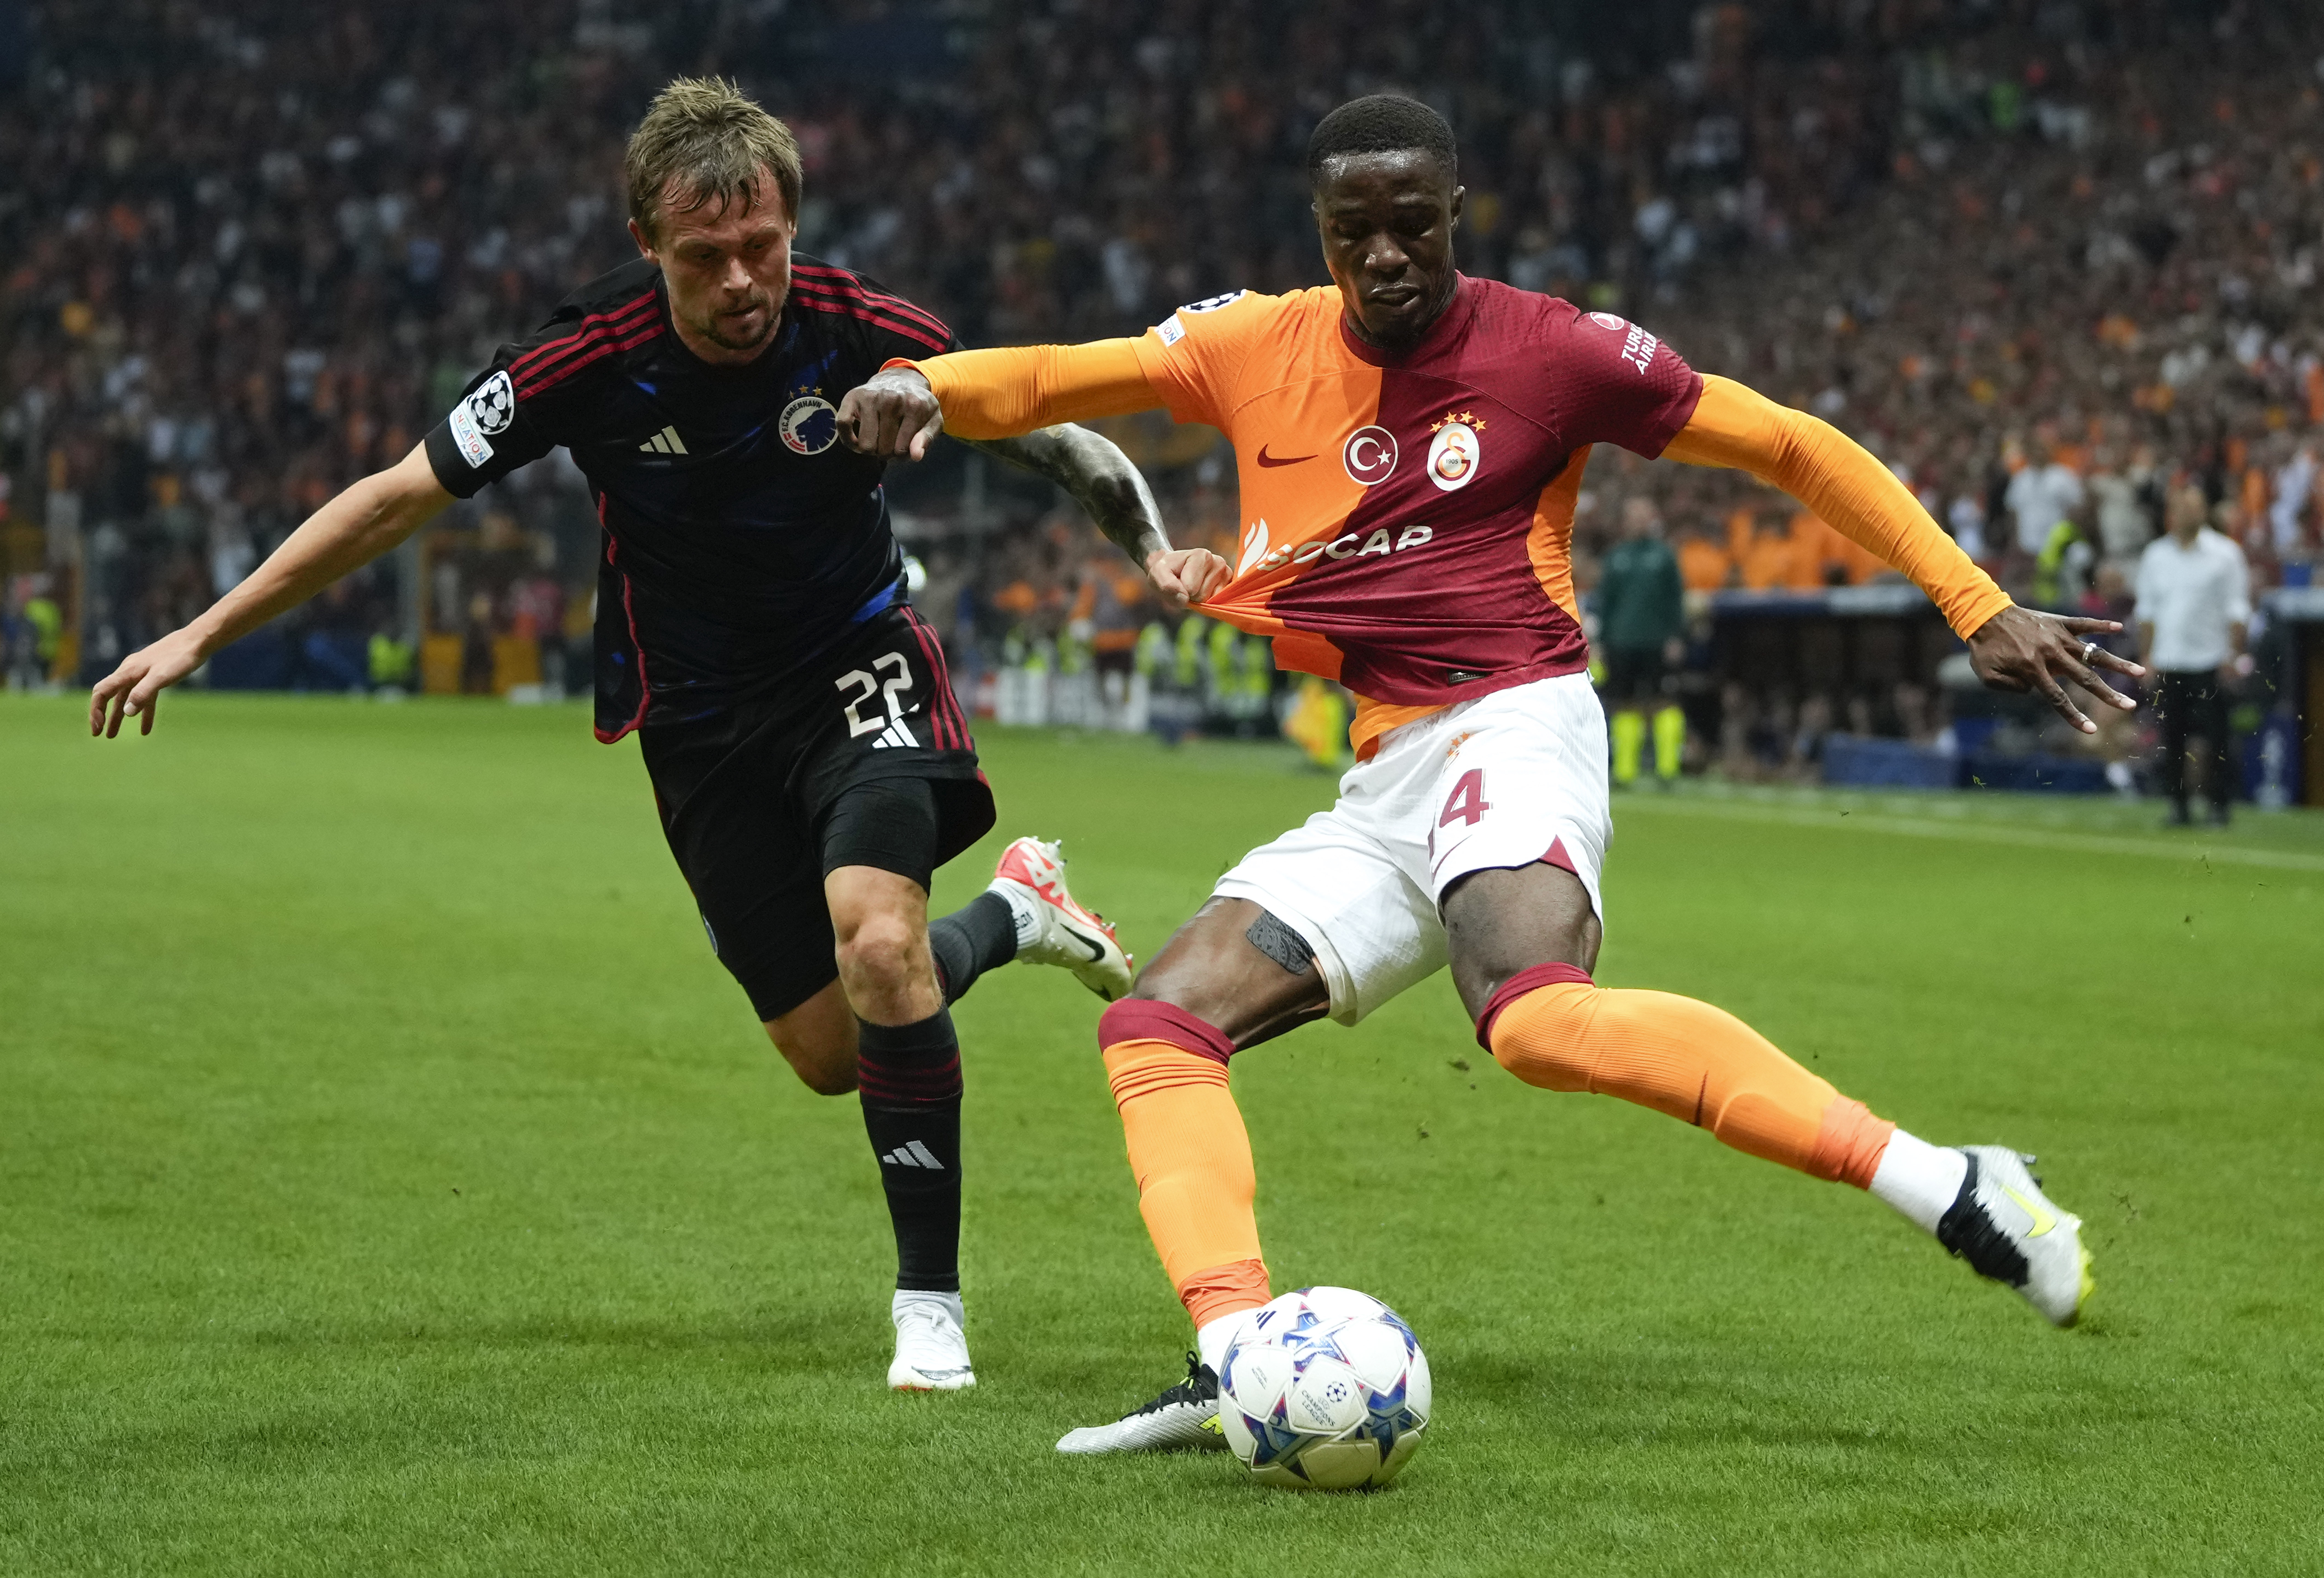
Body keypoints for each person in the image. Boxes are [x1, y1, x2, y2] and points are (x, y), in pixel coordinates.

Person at [840, 95, 2143, 1451]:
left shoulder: (1555, 351)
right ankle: (1238, 1355)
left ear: (1457, 213)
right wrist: (925, 386)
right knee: (1156, 1025)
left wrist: (1974, 600)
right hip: (1386, 768)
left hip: (1516, 719)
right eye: (1358, 232)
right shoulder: (1250, 344)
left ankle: (1952, 1182)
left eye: (1414, 224)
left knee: (1530, 1020)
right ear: (1323, 234)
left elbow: (1788, 444)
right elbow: (1058, 380)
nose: (1388, 255)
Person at [87, 78, 1168, 1393]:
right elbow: (394, 499)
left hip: (857, 664)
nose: (740, 279)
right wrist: (202, 632)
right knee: (835, 1052)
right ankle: (1016, 913)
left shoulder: (868, 334)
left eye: (761, 244)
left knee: (882, 941)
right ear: (649, 244)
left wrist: (1155, 557)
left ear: (792, 223)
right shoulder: (582, 358)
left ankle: (928, 1307)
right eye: (704, 256)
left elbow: (1055, 442)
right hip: (698, 724)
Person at [2135, 481, 2251, 827]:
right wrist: (2148, 657)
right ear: (2172, 513)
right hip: (2170, 658)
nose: (2190, 513)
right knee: (2172, 739)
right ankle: (2179, 805)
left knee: (2217, 738)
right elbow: (2147, 613)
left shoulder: (2226, 554)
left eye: (2195, 506)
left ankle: (2219, 805)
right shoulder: (2156, 556)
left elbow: (2237, 610)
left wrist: (2234, 654)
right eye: (2183, 507)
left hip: (2210, 659)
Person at [1594, 496, 1687, 786]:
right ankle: (1625, 771)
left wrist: (1676, 636)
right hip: (1620, 642)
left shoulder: (1664, 556)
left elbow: (1676, 600)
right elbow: (1605, 603)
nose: (1638, 521)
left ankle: (1668, 770)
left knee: (1663, 702)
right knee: (1624, 704)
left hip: (1657, 641)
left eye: (1643, 516)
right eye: (1633, 516)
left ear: (1652, 520)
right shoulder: (1616, 557)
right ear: (1626, 521)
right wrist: (1599, 641)